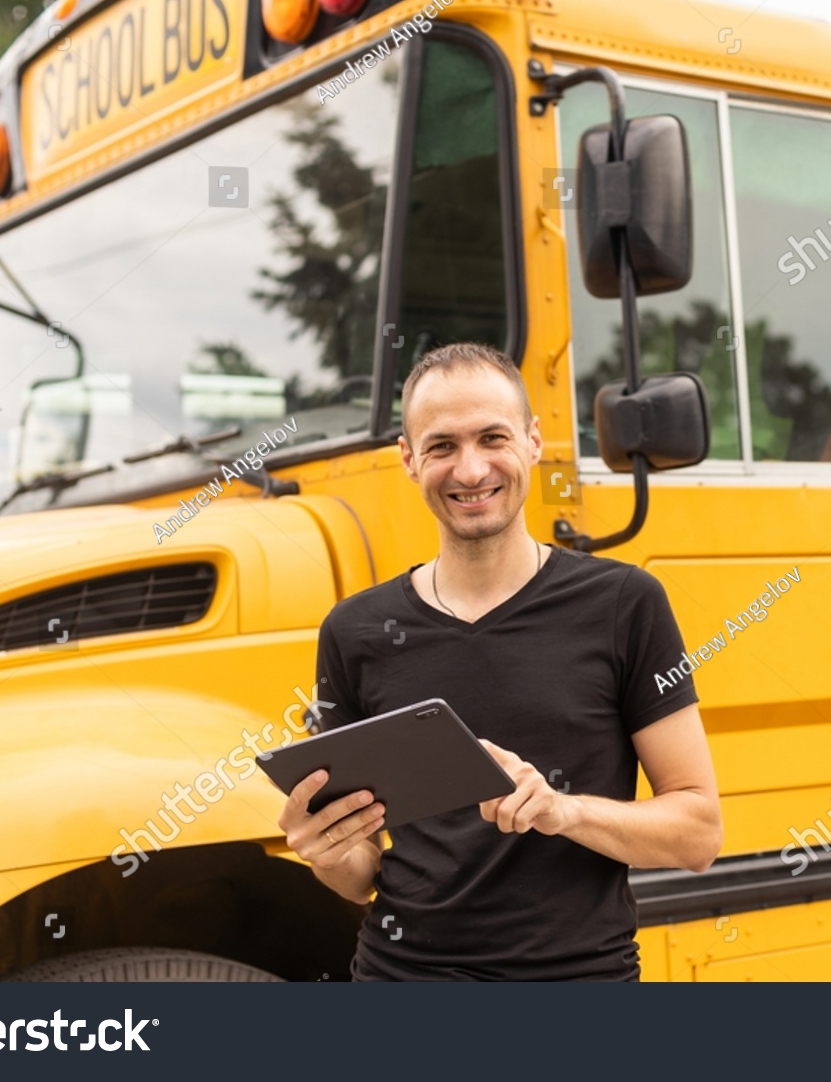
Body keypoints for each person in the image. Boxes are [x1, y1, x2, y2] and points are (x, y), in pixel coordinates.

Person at [277, 342, 722, 980]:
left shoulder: (624, 604)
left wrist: (563, 810)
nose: (470, 469)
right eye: (441, 446)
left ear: (534, 442)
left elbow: (699, 833)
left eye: (492, 437)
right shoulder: (354, 630)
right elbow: (362, 875)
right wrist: (324, 852)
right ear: (409, 459)